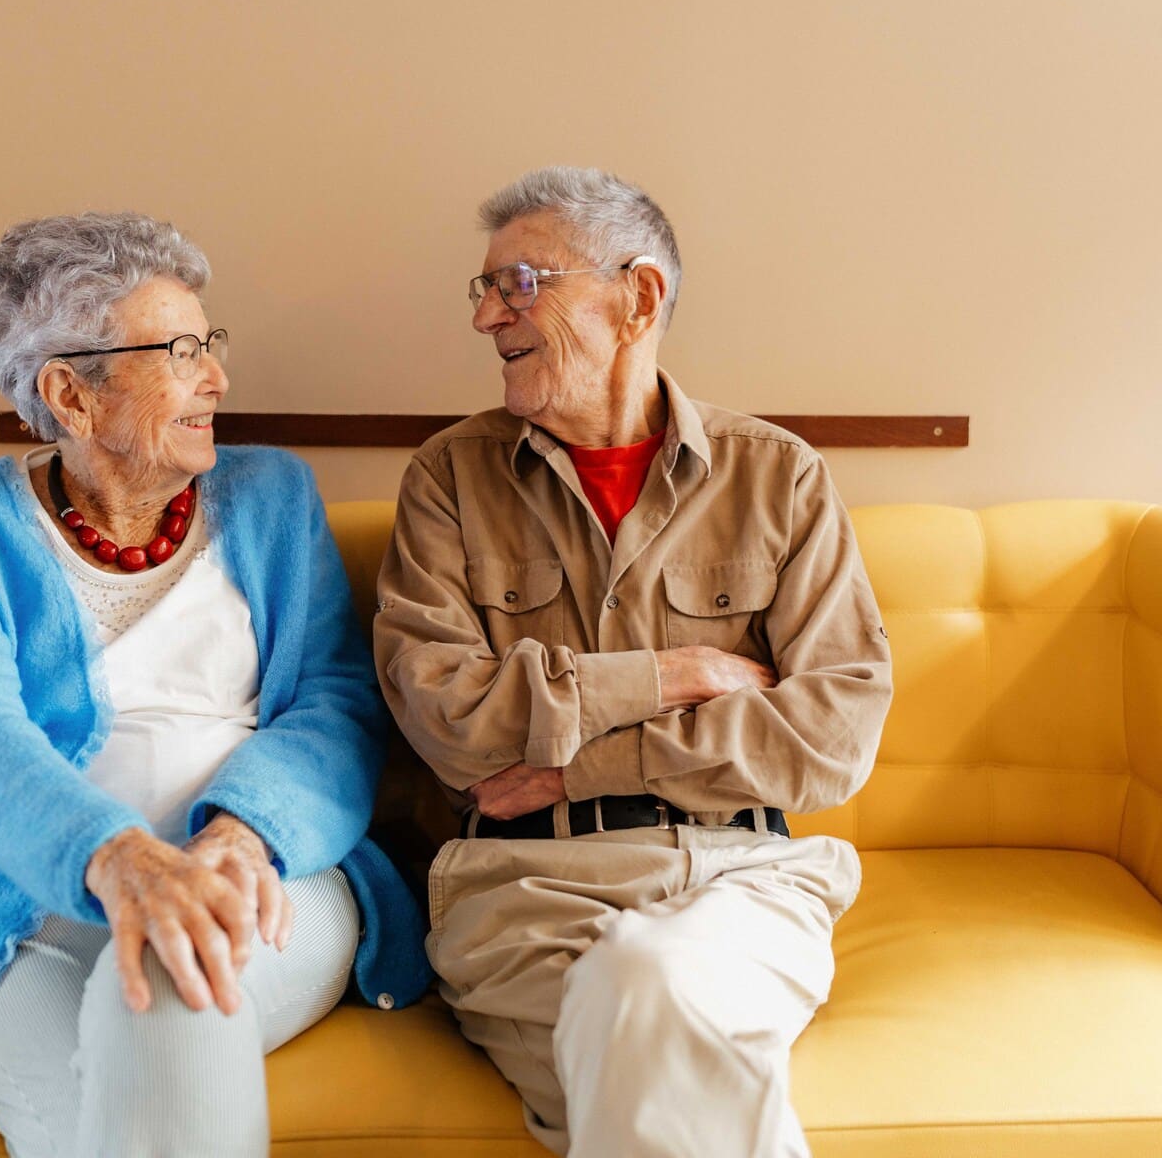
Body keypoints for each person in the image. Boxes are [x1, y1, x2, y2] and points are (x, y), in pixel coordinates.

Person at [373, 167, 893, 1156]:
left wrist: (580, 767)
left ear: (638, 297)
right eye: (484, 289)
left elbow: (832, 737)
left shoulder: (779, 476)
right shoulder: (448, 480)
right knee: (647, 1003)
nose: (486, 316)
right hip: (527, 887)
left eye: (519, 283)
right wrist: (679, 674)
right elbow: (451, 721)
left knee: (647, 988)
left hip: (746, 880)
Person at [0, 212, 429, 1157]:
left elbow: (335, 706)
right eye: (180, 352)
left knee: (176, 992)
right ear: (71, 395)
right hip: (30, 903)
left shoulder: (272, 497)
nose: (217, 377)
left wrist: (240, 835)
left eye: (208, 343)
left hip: (267, 875)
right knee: (93, 1125)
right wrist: (120, 859)